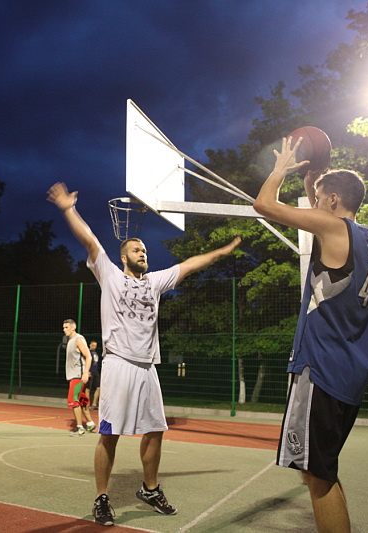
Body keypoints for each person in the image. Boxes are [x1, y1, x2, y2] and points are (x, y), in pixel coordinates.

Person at [47, 182, 241, 526]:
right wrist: (68, 209)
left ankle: (150, 489)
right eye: (137, 250)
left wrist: (220, 253)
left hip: (148, 368)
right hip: (119, 364)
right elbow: (90, 240)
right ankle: (102, 497)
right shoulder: (109, 274)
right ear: (124, 257)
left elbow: (190, 265)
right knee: (110, 434)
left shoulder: (154, 282)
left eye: (145, 250)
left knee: (155, 430)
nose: (143, 253)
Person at [253, 136, 368, 533]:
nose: (314, 204)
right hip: (349, 373)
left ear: (333, 201)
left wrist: (280, 169)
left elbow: (264, 205)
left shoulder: (332, 227)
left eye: (320, 198)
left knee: (317, 479)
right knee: (321, 471)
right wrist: (314, 181)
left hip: (321, 371)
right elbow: (321, 214)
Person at [62, 319, 97, 436]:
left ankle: (80, 428)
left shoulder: (79, 339)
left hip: (78, 376)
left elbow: (88, 356)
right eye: (63, 327)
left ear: (73, 328)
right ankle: (91, 424)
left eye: (66, 327)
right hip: (73, 376)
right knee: (81, 400)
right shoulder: (70, 341)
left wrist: (86, 372)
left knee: (73, 400)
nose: (64, 330)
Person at [86, 340, 101, 410]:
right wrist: (87, 371)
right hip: (90, 371)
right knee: (88, 388)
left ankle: (94, 404)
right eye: (93, 345)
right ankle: (87, 404)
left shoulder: (95, 353)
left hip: (95, 371)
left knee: (98, 387)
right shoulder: (88, 352)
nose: (94, 347)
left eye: (95, 346)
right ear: (90, 345)